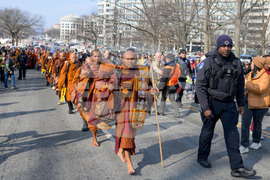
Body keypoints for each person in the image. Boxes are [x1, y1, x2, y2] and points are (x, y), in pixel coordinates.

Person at [196, 35, 256, 177]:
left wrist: (241, 103)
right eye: (224, 46)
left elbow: (240, 84)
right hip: (212, 103)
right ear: (218, 47)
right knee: (207, 132)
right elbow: (200, 87)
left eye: (229, 46)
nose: (226, 48)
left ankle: (237, 167)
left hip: (229, 104)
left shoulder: (236, 62)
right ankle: (202, 157)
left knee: (233, 135)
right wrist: (205, 108)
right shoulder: (209, 62)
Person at [109, 51, 153, 174]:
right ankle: (130, 164)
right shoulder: (118, 72)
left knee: (131, 134)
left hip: (137, 108)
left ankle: (120, 150)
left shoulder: (142, 72)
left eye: (133, 59)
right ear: (123, 59)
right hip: (123, 108)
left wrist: (152, 92)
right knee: (127, 134)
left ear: (136, 59)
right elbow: (110, 86)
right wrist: (110, 88)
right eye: (127, 59)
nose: (130, 61)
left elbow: (148, 88)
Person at [79, 50, 115, 146]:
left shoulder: (107, 65)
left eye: (99, 56)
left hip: (104, 93)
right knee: (92, 115)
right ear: (92, 57)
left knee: (106, 111)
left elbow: (114, 77)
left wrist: (110, 84)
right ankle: (94, 138)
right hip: (93, 94)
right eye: (95, 56)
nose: (97, 58)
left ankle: (104, 123)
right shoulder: (88, 65)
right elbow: (82, 78)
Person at [240, 57, 270, 153]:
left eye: (252, 63)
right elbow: (244, 85)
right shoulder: (249, 74)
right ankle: (244, 145)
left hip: (260, 104)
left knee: (257, 124)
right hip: (247, 103)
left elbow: (260, 88)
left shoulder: (265, 76)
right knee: (245, 124)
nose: (250, 65)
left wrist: (247, 84)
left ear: (257, 65)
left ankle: (256, 141)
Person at [156, 53, 181, 117]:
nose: (166, 59)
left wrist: (158, 87)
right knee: (172, 99)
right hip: (175, 84)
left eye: (166, 58)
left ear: (168, 59)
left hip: (167, 85)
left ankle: (161, 111)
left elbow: (163, 79)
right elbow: (180, 74)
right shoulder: (177, 65)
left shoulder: (167, 68)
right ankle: (177, 112)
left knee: (163, 98)